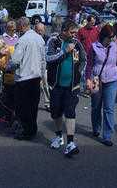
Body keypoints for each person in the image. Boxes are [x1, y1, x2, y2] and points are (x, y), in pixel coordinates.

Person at [45, 20, 86, 157]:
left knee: (70, 112)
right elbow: (49, 58)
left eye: (75, 32)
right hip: (56, 85)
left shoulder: (77, 43)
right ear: (64, 30)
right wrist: (64, 51)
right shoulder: (54, 41)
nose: (74, 35)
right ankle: (58, 136)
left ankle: (70, 143)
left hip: (72, 86)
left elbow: (84, 59)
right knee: (55, 112)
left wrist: (79, 72)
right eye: (72, 32)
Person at [85, 24, 117, 147]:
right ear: (103, 36)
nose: (112, 39)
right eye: (110, 37)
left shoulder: (115, 47)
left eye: (113, 37)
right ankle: (96, 128)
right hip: (97, 80)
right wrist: (88, 79)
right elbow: (89, 65)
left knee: (109, 108)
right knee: (96, 107)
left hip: (112, 80)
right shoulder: (94, 47)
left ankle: (107, 135)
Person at [10, 17, 46, 140]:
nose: (17, 29)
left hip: (24, 78)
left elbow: (15, 60)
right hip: (36, 77)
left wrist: (7, 66)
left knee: (22, 107)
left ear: (22, 26)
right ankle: (32, 129)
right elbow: (43, 60)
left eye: (18, 27)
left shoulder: (23, 40)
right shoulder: (40, 38)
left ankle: (25, 131)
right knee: (33, 106)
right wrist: (41, 75)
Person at [34, 22, 50, 111]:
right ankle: (33, 103)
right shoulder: (32, 39)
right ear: (35, 30)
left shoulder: (48, 39)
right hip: (34, 66)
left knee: (46, 85)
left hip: (45, 66)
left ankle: (48, 103)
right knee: (35, 86)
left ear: (44, 30)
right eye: (38, 30)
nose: (40, 32)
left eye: (41, 30)